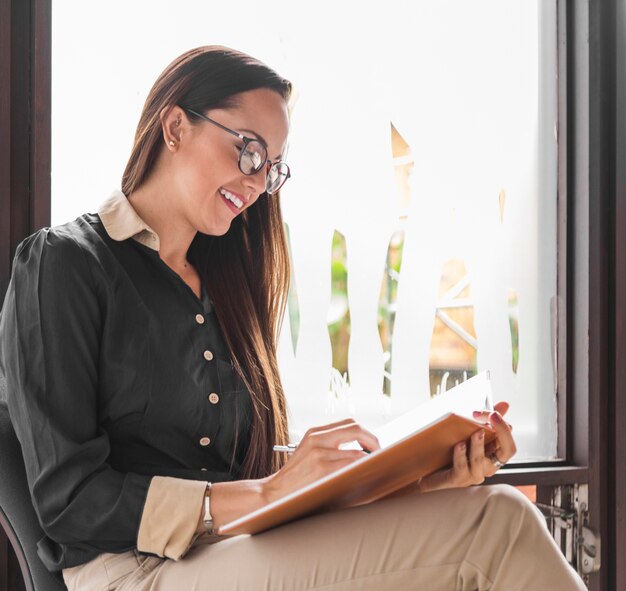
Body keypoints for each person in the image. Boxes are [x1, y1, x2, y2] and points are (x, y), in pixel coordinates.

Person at [0, 45, 586, 591]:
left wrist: (432, 478)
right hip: (134, 574)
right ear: (175, 127)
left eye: (272, 167)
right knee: (497, 526)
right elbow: (70, 499)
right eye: (249, 150)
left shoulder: (225, 286)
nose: (258, 182)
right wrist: (261, 493)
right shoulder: (65, 264)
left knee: (484, 512)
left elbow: (260, 491)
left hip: (232, 551)